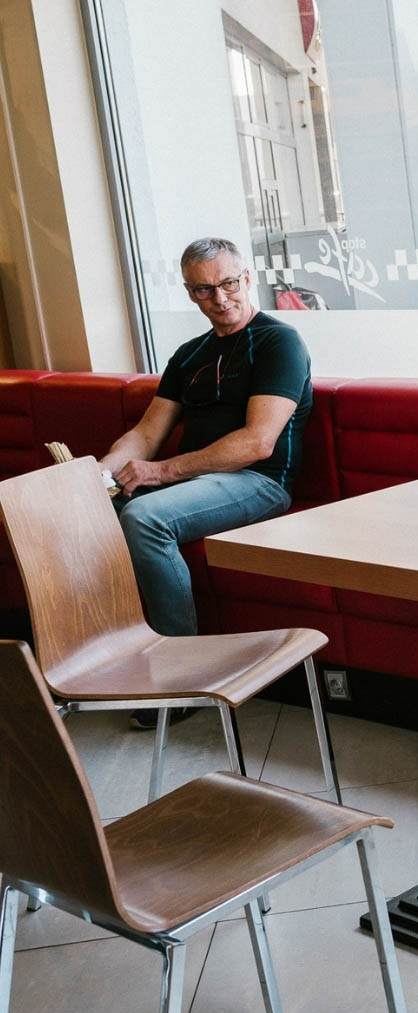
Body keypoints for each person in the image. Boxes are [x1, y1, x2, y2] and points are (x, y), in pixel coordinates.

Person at [98, 237, 313, 728]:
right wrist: (100, 474)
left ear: (247, 278)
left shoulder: (279, 342)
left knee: (145, 517)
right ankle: (110, 663)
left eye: (229, 283)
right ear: (190, 293)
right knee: (92, 513)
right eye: (204, 290)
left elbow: (257, 443)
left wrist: (159, 472)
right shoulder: (188, 355)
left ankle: (184, 681)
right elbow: (146, 434)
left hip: (258, 482)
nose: (220, 298)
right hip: (194, 483)